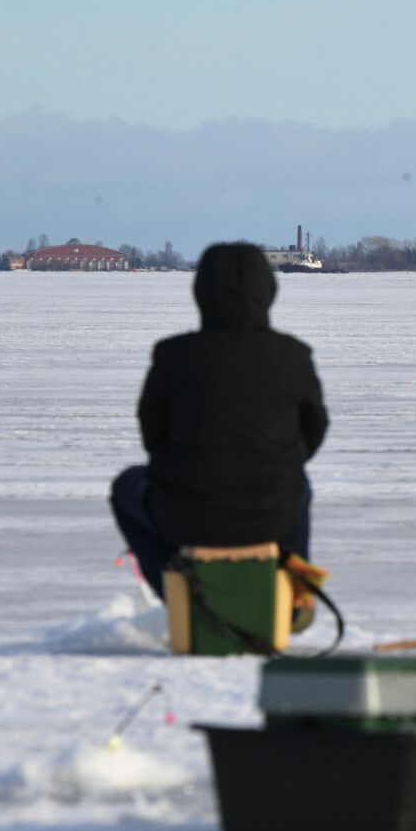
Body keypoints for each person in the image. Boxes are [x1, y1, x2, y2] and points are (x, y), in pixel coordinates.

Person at [110, 243, 328, 599]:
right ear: (267, 289)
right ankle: (291, 598)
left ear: (201, 291)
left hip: (184, 512)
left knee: (125, 487)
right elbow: (314, 429)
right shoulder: (292, 356)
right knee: (297, 485)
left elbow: (153, 435)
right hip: (271, 512)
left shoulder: (172, 355)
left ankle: (182, 594)